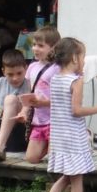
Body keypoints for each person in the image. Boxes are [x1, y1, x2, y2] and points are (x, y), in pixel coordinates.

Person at [36, 37, 97, 192]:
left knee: (67, 175)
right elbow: (76, 111)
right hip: (73, 136)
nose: (84, 61)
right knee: (77, 180)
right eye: (83, 57)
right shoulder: (76, 81)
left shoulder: (55, 79)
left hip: (59, 135)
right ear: (75, 58)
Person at [18, 26, 60, 164]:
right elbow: (29, 93)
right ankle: (48, 147)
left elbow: (63, 99)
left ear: (53, 47)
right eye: (34, 45)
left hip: (55, 121)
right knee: (31, 158)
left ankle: (55, 148)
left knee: (55, 160)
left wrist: (44, 103)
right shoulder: (32, 67)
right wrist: (24, 111)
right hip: (38, 120)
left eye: (41, 46)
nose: (35, 49)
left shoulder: (57, 68)